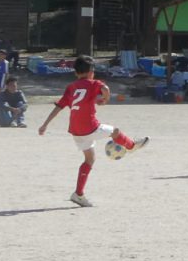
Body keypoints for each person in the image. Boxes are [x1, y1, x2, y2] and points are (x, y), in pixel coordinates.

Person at [38, 57, 146, 208]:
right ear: (91, 72)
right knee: (115, 131)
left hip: (75, 130)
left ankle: (78, 194)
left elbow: (59, 106)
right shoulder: (94, 83)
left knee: (89, 159)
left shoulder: (71, 87)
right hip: (89, 127)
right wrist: (105, 99)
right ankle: (131, 146)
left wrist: (45, 124)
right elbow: (106, 90)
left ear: (76, 73)